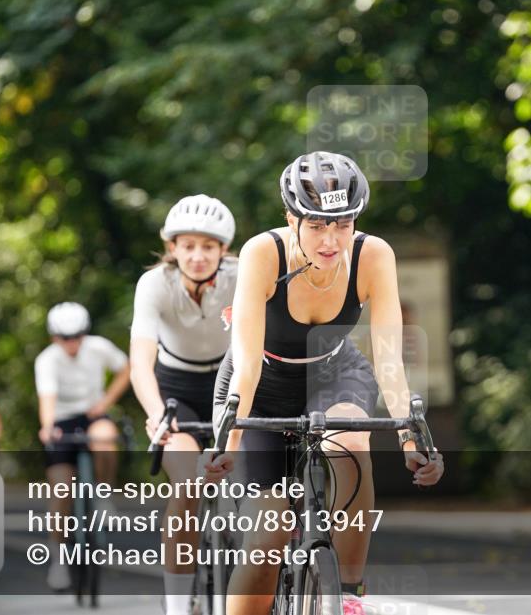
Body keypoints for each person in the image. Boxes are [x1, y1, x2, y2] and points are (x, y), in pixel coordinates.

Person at [207, 151, 445, 615]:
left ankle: (351, 595)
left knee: (351, 444)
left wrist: (408, 437)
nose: (331, 240)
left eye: (342, 224)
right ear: (290, 218)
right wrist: (230, 440)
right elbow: (249, 364)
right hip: (263, 380)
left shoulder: (373, 255)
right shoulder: (263, 253)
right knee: (266, 541)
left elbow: (389, 358)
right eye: (316, 225)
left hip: (335, 371)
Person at [130, 194, 238, 615]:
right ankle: (177, 605)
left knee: (257, 481)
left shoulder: (244, 275)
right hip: (177, 391)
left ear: (223, 250)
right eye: (187, 245)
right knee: (189, 485)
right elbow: (141, 362)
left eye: (208, 246)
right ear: (171, 247)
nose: (197, 256)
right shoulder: (154, 283)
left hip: (231, 384)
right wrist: (157, 415)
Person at [35, 302, 130, 591]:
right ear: (54, 338)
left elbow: (126, 368)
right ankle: (58, 561)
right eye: (65, 338)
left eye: (77, 336)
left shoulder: (98, 347)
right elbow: (47, 398)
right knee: (61, 490)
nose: (72, 343)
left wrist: (105, 402)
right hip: (62, 421)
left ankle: (103, 493)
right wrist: (48, 426)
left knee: (106, 437)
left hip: (92, 414)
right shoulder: (47, 360)